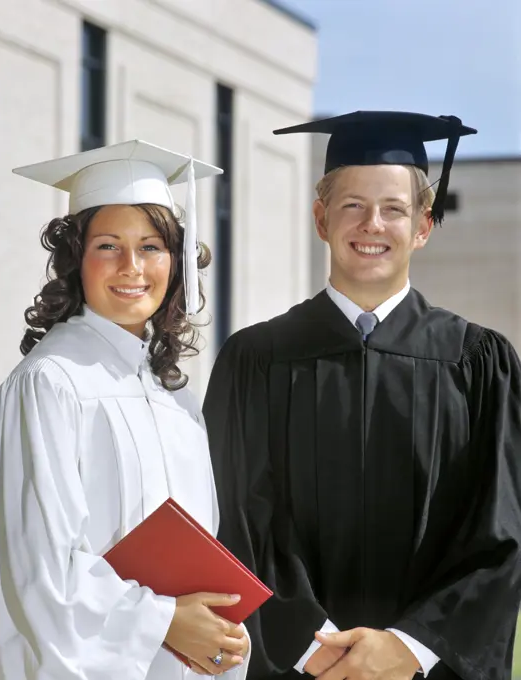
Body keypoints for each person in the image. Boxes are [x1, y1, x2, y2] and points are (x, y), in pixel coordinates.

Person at [202, 111, 521, 680]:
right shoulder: (254, 361)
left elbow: (501, 531)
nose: (371, 224)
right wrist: (309, 644)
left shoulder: (479, 364)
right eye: (352, 205)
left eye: (394, 209)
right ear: (321, 219)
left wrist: (411, 647)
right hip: (295, 667)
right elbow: (236, 519)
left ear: (423, 225)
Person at [0, 140, 251, 680]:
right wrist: (163, 621)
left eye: (151, 247)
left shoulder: (177, 402)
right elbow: (36, 576)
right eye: (108, 246)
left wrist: (221, 632)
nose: (132, 267)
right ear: (77, 260)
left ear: (176, 260)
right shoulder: (50, 385)